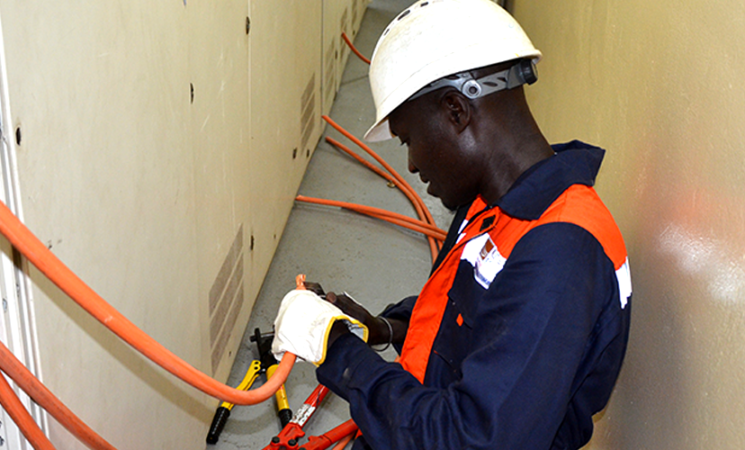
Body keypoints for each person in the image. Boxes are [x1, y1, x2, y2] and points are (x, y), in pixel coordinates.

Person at [273, 1, 632, 448]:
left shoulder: (561, 254)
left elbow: (469, 438)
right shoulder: (498, 204)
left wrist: (338, 350)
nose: (412, 163)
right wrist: (383, 328)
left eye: (409, 140)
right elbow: (473, 315)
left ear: (456, 111)